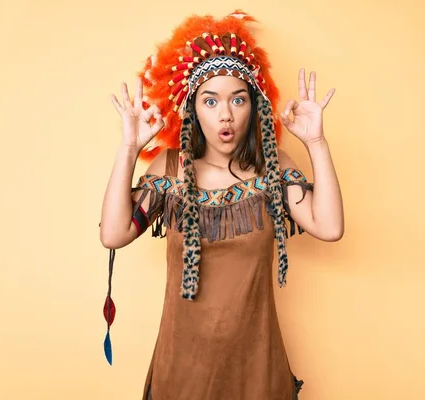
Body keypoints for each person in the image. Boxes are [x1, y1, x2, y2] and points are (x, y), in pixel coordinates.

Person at [99, 10, 344, 400]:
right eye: (210, 101)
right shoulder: (171, 169)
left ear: (255, 107)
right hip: (181, 372)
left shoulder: (273, 167)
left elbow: (329, 227)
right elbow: (113, 234)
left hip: (256, 371)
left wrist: (316, 143)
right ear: (193, 108)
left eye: (238, 99)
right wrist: (129, 149)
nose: (225, 115)